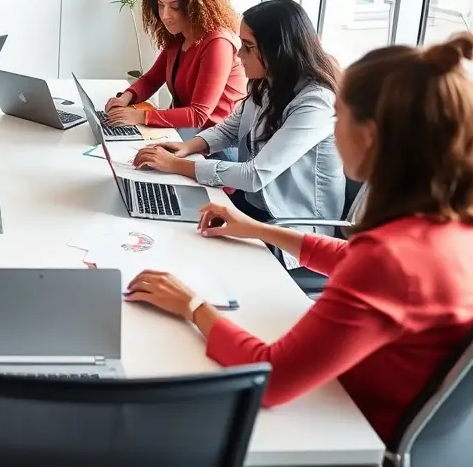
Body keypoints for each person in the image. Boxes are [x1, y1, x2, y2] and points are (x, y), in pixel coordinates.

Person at [122, 33, 473, 443]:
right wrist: (255, 229)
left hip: (343, 432)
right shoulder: (449, 227)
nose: (334, 129)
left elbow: (270, 378)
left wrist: (191, 304)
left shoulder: (392, 257)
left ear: (372, 134)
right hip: (365, 408)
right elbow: (352, 258)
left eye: (339, 117)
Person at [133, 0, 343, 229]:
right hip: (255, 206)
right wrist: (188, 147)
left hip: (290, 225)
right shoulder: (266, 82)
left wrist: (175, 165)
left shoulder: (316, 103)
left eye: (247, 46)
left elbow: (254, 175)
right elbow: (231, 128)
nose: (239, 54)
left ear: (278, 49)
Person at [104, 0, 246, 130]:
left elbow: (198, 115)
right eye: (160, 5)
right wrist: (125, 98)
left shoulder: (218, 43)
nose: (165, 15)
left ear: (196, 7)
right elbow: (151, 80)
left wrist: (140, 116)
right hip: (186, 131)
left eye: (175, 7)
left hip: (214, 139)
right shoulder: (178, 37)